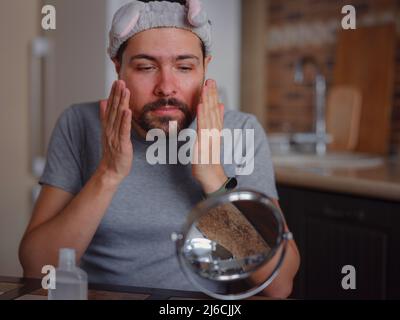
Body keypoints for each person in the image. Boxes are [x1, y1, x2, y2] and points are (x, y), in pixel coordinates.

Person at [19, 0, 299, 298]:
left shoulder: (242, 131)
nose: (166, 86)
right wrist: (109, 174)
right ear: (118, 68)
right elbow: (38, 268)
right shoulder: (79, 124)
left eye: (184, 67)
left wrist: (214, 180)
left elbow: (279, 284)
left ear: (205, 68)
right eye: (145, 67)